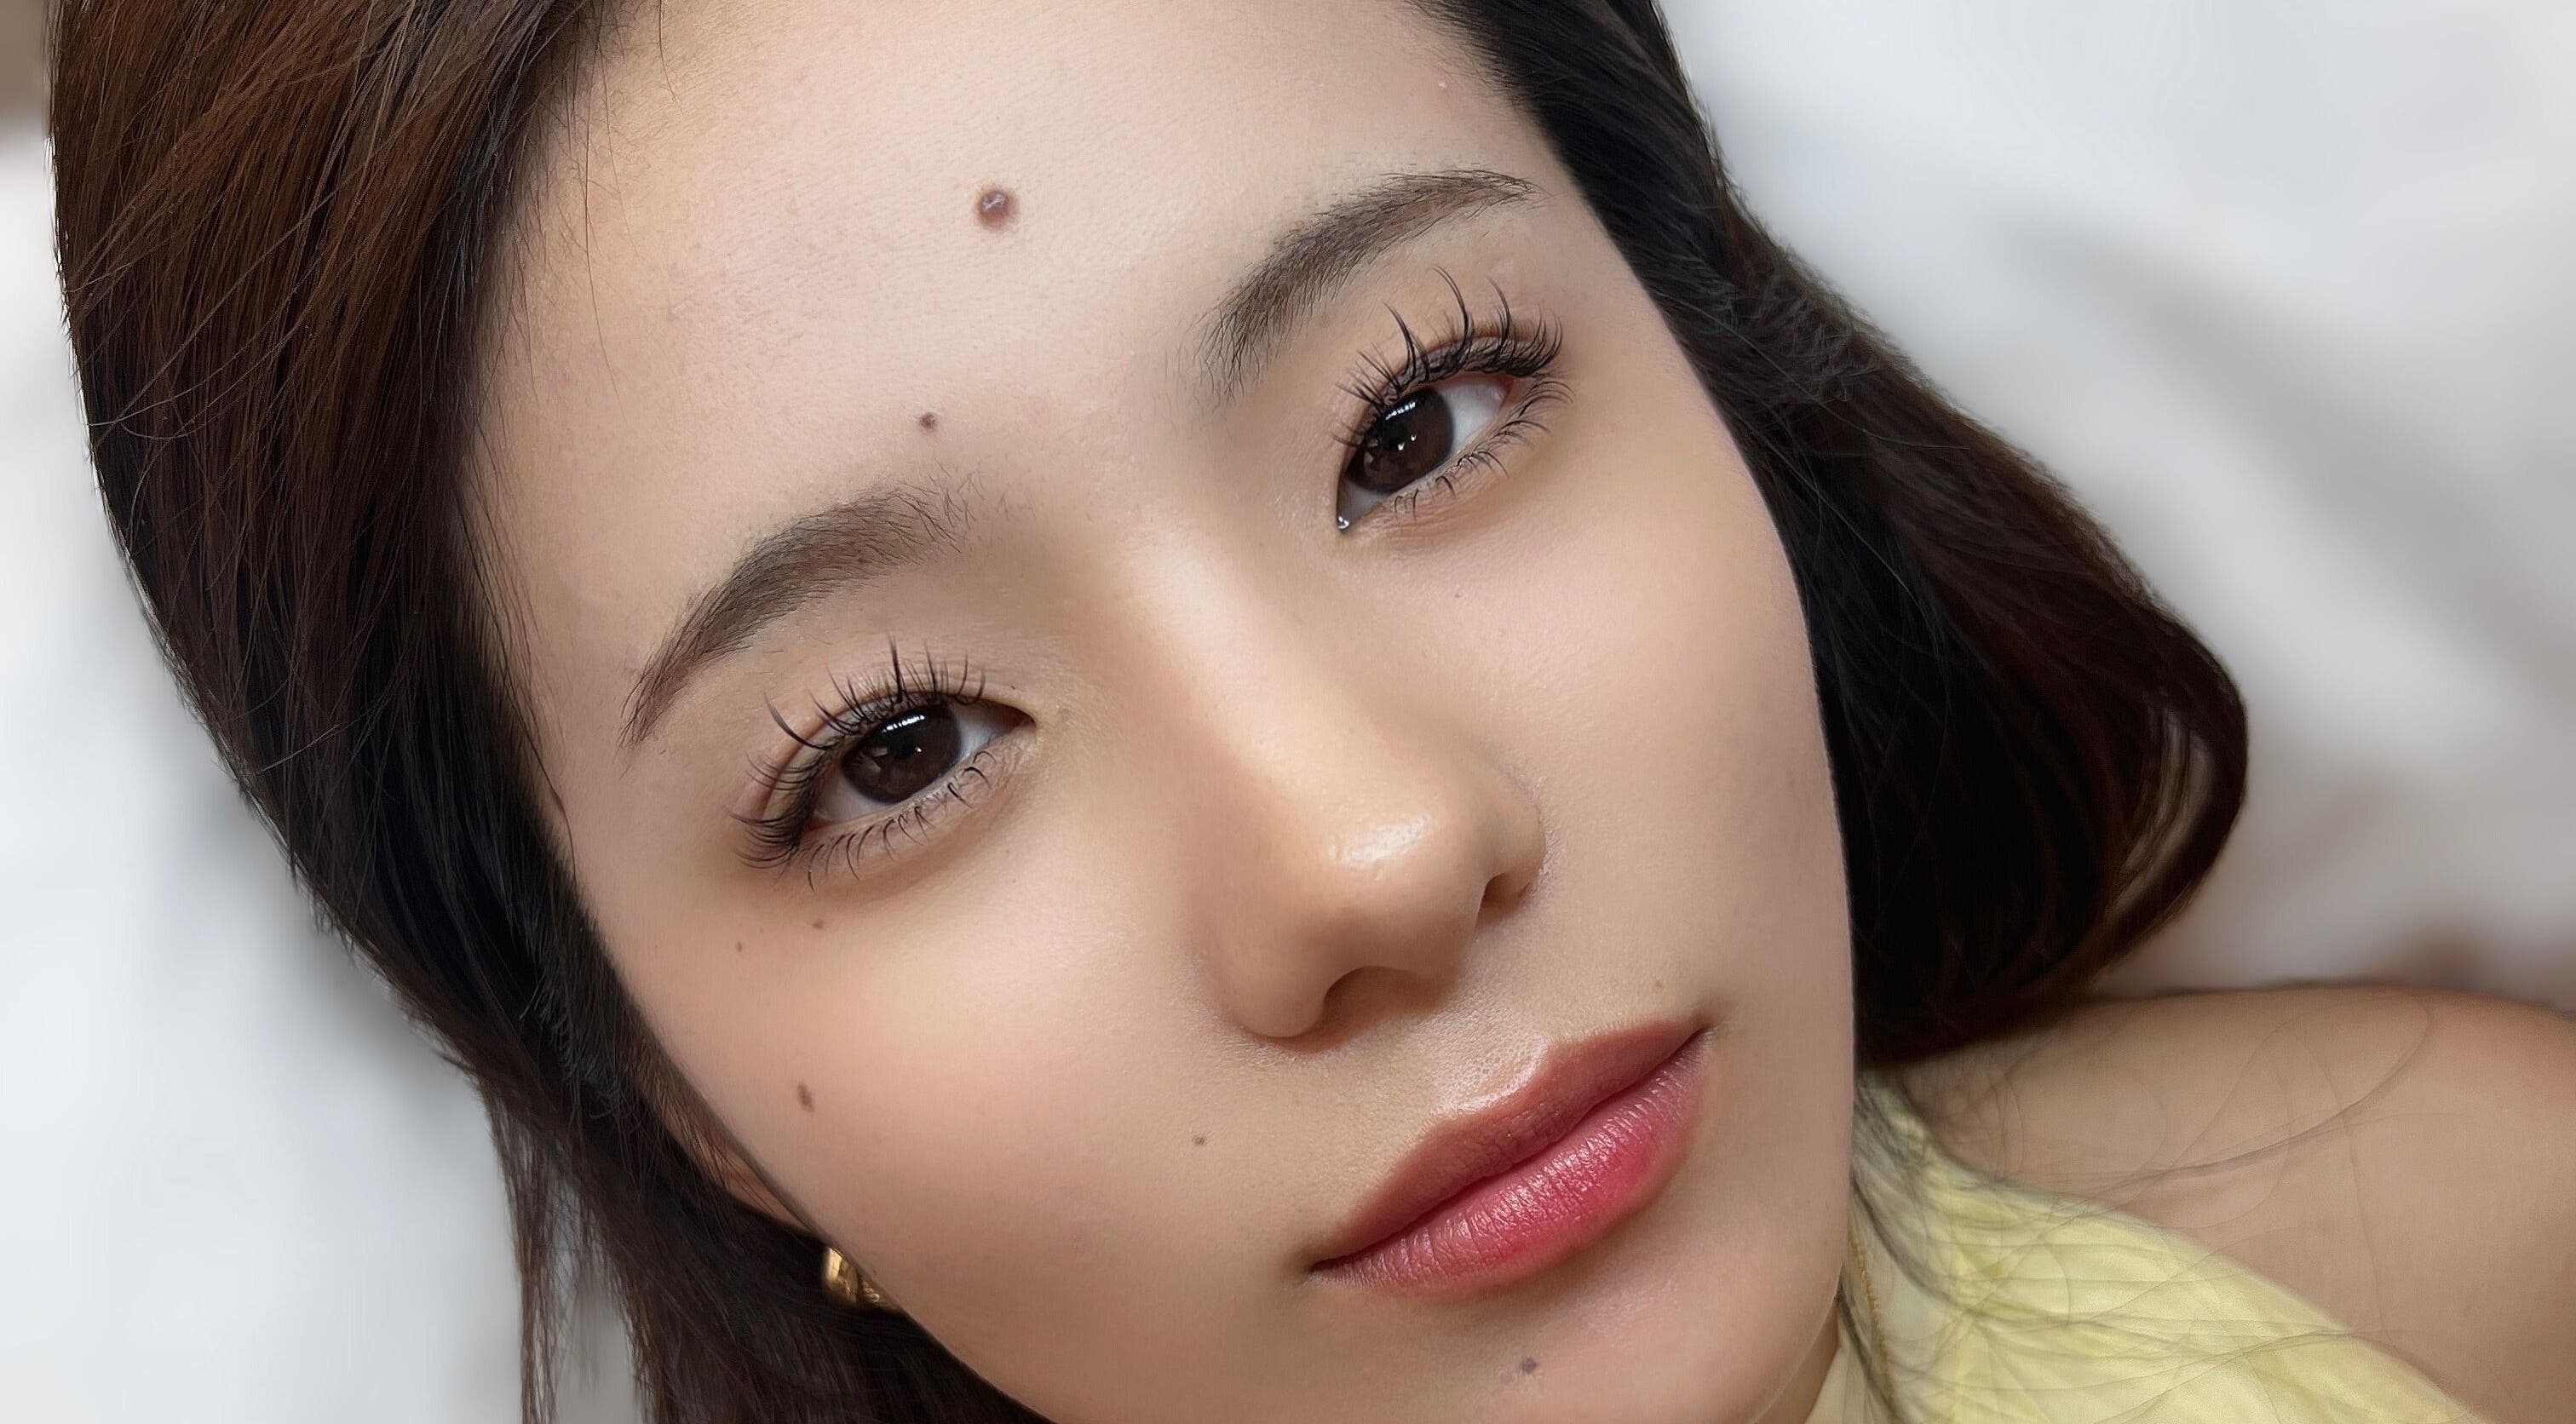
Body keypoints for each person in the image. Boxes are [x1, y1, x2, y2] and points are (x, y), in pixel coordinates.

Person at [43, 2, 2575, 1421]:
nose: (1364, 850)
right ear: (663, 1081)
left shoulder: (2445, 1256)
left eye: (1422, 416)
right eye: (897, 748)